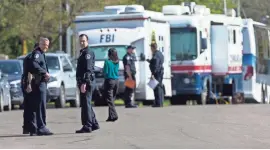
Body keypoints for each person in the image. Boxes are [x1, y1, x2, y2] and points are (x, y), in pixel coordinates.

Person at [76, 34, 99, 133]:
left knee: (86, 104)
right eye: (80, 41)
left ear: (87, 41)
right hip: (84, 82)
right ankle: (94, 123)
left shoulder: (88, 53)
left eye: (83, 41)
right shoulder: (83, 52)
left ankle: (87, 125)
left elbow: (88, 69)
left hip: (87, 82)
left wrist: (84, 82)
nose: (82, 43)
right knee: (87, 103)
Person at [30, 37, 53, 136]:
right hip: (39, 83)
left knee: (42, 105)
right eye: (44, 44)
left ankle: (42, 126)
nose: (46, 47)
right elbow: (34, 65)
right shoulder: (37, 54)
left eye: (47, 45)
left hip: (42, 83)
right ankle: (41, 126)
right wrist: (45, 73)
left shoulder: (42, 54)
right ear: (40, 44)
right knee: (40, 106)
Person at [22, 43, 39, 135]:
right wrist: (29, 84)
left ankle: (26, 128)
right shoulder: (33, 57)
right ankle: (33, 128)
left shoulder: (28, 56)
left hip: (25, 82)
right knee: (33, 107)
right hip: (30, 83)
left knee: (27, 107)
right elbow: (30, 72)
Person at [103, 48, 119, 122]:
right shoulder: (117, 61)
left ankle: (114, 115)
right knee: (112, 99)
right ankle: (111, 116)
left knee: (109, 100)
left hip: (109, 81)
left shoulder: (107, 62)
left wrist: (102, 71)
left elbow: (105, 72)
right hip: (116, 81)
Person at [149, 43, 164, 107]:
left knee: (157, 88)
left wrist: (153, 73)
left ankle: (158, 103)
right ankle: (160, 102)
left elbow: (156, 64)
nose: (150, 49)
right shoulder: (160, 53)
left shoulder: (155, 54)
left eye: (151, 48)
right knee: (159, 87)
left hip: (157, 73)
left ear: (153, 48)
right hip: (160, 72)